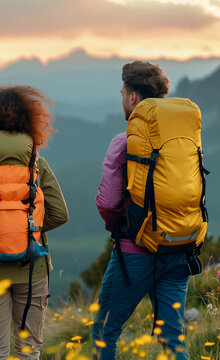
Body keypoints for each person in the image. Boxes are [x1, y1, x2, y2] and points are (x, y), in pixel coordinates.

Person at [0, 85, 68, 360]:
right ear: (30, 120)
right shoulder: (36, 164)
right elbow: (60, 213)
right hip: (32, 267)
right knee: (29, 351)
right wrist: (30, 231)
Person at [92, 61, 190, 359]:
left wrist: (120, 228)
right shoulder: (184, 140)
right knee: (173, 340)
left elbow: (108, 203)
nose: (122, 98)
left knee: (104, 332)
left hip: (134, 253)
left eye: (123, 93)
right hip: (178, 248)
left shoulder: (125, 142)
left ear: (133, 98)